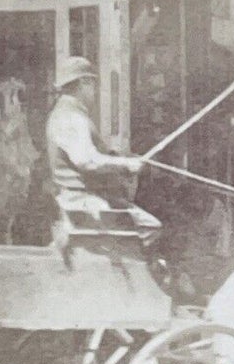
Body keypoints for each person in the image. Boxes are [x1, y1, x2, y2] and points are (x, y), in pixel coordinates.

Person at [45, 56, 159, 246]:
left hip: (83, 197)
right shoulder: (71, 116)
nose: (94, 91)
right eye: (92, 84)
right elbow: (86, 160)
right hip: (83, 199)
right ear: (84, 82)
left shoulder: (67, 114)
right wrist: (126, 164)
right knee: (149, 227)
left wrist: (117, 157)